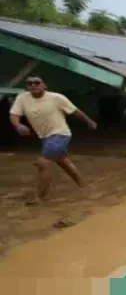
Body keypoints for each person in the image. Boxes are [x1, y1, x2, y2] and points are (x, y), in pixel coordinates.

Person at [9, 75, 98, 203]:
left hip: (60, 134)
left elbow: (75, 111)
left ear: (44, 85)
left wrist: (90, 122)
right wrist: (18, 125)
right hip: (45, 137)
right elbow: (14, 114)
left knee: (43, 162)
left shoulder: (57, 98)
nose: (33, 85)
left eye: (36, 83)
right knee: (63, 161)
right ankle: (84, 186)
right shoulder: (22, 98)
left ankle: (39, 197)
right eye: (29, 84)